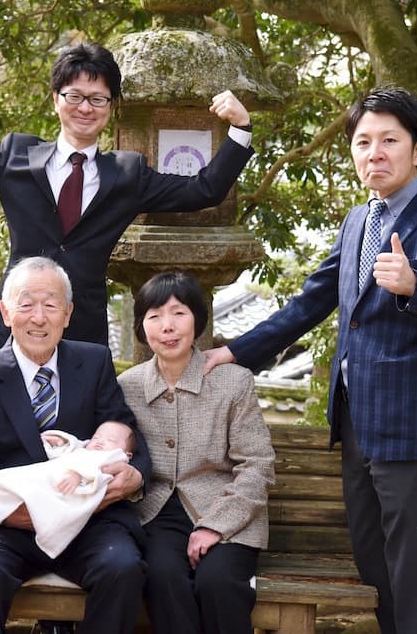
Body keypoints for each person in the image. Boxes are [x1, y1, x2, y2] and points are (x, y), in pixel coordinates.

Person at [204, 86, 417, 634]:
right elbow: (311, 300)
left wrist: (415, 286)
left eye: (389, 141)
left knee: (415, 573)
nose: (374, 153)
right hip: (356, 425)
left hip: (413, 430)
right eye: (363, 142)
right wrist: (237, 351)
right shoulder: (359, 219)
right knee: (373, 564)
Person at [0, 42, 254, 354]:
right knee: (1, 420)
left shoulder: (128, 174)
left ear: (111, 106)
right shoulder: (15, 156)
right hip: (18, 320)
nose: (86, 107)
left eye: (98, 98)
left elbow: (203, 190)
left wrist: (240, 130)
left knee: (82, 426)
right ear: (56, 99)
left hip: (83, 329)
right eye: (75, 96)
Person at [0, 256, 150, 634]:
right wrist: (19, 512)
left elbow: (124, 432)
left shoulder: (94, 362)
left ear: (68, 313)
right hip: (11, 525)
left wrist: (134, 476)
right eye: (26, 304)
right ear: (6, 312)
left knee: (122, 567)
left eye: (51, 305)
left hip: (90, 521)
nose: (39, 317)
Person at [118, 271, 275, 634]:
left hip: (226, 513)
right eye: (155, 316)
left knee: (217, 583)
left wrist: (214, 526)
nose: (167, 327)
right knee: (161, 577)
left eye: (178, 313)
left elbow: (258, 465)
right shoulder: (127, 387)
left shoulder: (233, 382)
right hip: (157, 517)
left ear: (197, 320)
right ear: (142, 327)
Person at [0, 420, 136, 559]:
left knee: (37, 491)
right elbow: (71, 448)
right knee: (21, 479)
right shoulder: (84, 450)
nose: (100, 442)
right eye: (96, 437)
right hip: (50, 476)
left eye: (111, 440)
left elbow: (101, 474)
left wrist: (79, 475)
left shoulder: (113, 458)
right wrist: (60, 443)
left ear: (127, 454)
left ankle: (9, 502)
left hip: (67, 491)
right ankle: (2, 494)